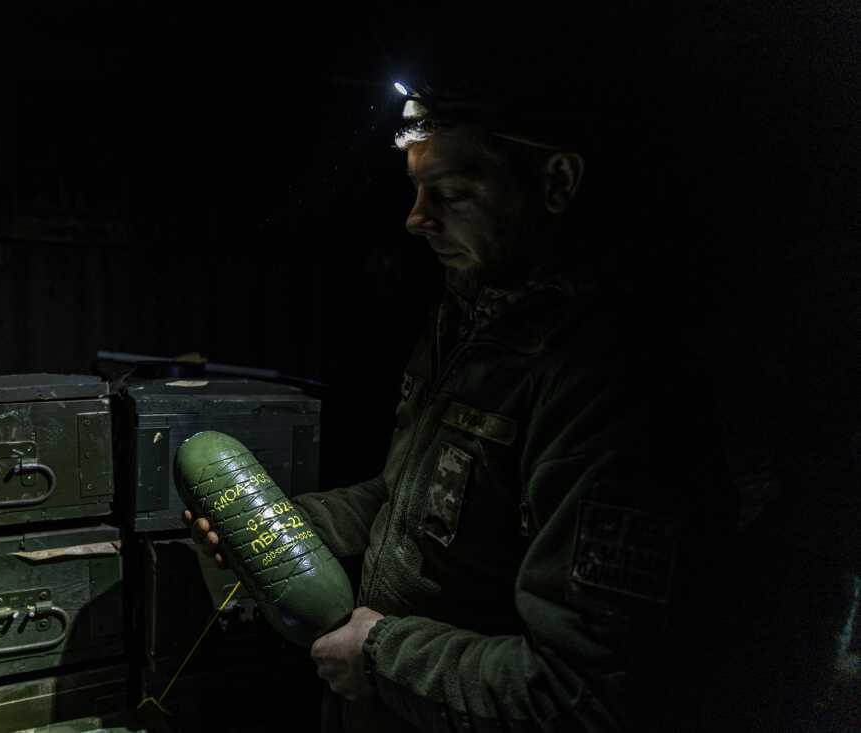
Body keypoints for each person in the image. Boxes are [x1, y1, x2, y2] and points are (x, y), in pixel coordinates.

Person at [185, 62, 729, 732]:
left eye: (451, 193)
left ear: (557, 183)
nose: (416, 219)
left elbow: (581, 689)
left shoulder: (606, 380)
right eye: (417, 190)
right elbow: (410, 501)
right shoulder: (470, 321)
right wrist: (282, 530)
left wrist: (381, 656)